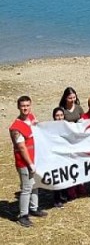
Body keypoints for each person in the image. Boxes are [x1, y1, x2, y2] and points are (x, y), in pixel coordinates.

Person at [10, 96, 47, 227]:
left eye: (27, 105)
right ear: (18, 107)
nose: (25, 108)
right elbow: (21, 147)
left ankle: (34, 207)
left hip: (35, 158)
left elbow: (37, 127)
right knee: (26, 188)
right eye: (22, 106)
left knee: (35, 184)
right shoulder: (16, 128)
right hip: (24, 162)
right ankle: (23, 215)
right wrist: (30, 164)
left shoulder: (31, 117)